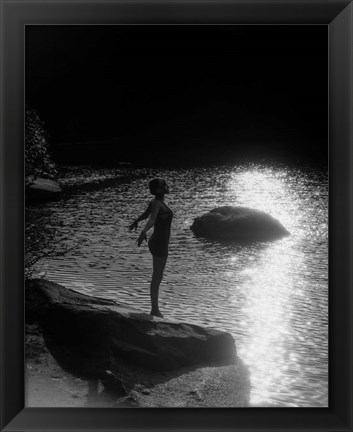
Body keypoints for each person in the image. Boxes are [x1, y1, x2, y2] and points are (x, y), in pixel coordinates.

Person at [129, 178, 173, 318]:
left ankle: (155, 308)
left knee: (157, 276)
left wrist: (136, 221)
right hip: (160, 243)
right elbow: (152, 219)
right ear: (159, 189)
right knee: (157, 277)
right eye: (164, 185)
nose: (167, 186)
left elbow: (146, 214)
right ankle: (155, 310)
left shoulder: (156, 202)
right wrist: (144, 231)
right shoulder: (158, 204)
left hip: (158, 241)